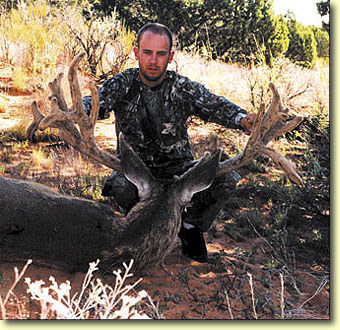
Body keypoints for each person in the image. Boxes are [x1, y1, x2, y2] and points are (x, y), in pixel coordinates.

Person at [83, 22, 255, 263]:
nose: (153, 60)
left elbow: (213, 104)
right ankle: (142, 226)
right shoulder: (123, 84)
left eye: (161, 54)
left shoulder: (181, 87)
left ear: (170, 57)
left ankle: (190, 227)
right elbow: (94, 104)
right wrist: (76, 110)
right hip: (138, 172)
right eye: (147, 52)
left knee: (226, 179)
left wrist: (241, 118)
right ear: (136, 53)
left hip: (179, 173)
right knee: (119, 187)